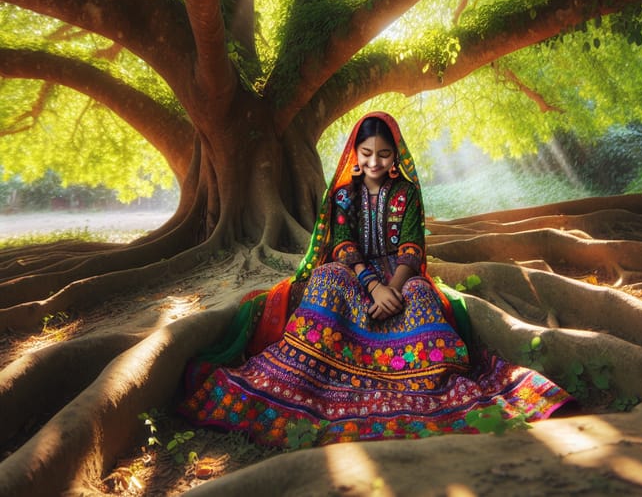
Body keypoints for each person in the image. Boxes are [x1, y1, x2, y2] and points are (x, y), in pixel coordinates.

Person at [180, 112, 572, 446]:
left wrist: (395, 287)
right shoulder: (343, 195)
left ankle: (422, 387)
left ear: (395, 155)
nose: (374, 162)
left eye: (384, 154)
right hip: (356, 272)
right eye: (367, 153)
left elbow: (412, 247)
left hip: (401, 275)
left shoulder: (406, 193)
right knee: (328, 279)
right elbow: (343, 244)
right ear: (356, 152)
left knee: (421, 298)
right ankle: (314, 379)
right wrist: (373, 286)